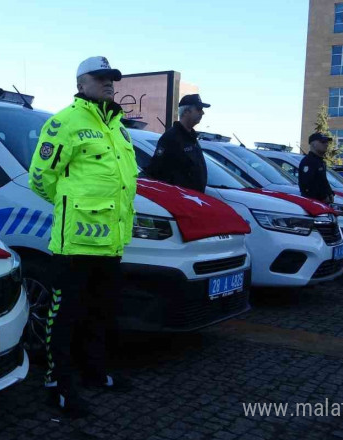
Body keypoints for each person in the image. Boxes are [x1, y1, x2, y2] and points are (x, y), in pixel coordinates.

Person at [27, 56, 137, 416]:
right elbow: (40, 177)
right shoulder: (65, 122)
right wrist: (69, 205)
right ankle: (57, 385)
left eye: (112, 79)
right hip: (75, 243)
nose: (109, 83)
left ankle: (94, 372)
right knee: (65, 316)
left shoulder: (118, 127)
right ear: (81, 83)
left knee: (99, 313)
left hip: (111, 243)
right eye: (101, 77)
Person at [145, 94, 210, 192]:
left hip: (195, 198)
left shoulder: (192, 138)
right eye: (199, 109)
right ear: (186, 112)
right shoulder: (171, 138)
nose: (202, 113)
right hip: (180, 198)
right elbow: (156, 170)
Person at [298, 132, 335, 203]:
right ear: (313, 144)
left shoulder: (320, 162)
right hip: (312, 204)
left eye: (327, 142)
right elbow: (308, 186)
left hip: (322, 204)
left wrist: (330, 193)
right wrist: (323, 197)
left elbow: (323, 181)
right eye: (323, 142)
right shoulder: (308, 162)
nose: (326, 144)